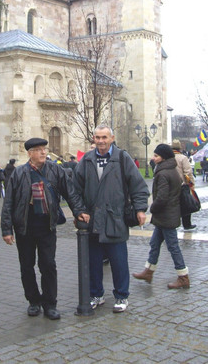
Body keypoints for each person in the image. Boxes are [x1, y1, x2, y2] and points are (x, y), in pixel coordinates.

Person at [1, 137, 89, 320]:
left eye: (44, 149)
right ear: (30, 153)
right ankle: (33, 301)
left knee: (48, 265)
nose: (43, 152)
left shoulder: (55, 170)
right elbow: (8, 202)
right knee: (27, 266)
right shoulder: (19, 173)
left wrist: (78, 210)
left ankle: (50, 303)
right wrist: (6, 230)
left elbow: (69, 191)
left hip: (47, 226)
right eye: (38, 150)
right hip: (24, 227)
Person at [73, 124, 149, 313]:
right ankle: (96, 294)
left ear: (112, 138)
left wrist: (140, 209)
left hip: (116, 218)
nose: (100, 141)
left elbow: (138, 186)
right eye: (97, 138)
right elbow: (74, 189)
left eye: (104, 137)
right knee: (94, 262)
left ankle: (121, 296)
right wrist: (79, 210)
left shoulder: (122, 158)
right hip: (92, 221)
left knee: (118, 262)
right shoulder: (87, 160)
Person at [133, 144, 190, 289]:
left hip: (166, 216)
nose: (153, 158)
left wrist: (152, 207)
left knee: (173, 247)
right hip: (166, 216)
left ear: (163, 157)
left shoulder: (164, 173)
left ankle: (183, 276)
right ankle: (148, 271)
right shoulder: (171, 170)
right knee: (154, 244)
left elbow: (162, 197)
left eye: (156, 156)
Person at [172, 139, 196, 232]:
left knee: (173, 206)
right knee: (186, 205)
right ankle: (187, 224)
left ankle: (172, 224)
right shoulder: (183, 158)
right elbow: (187, 173)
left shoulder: (168, 157)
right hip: (182, 185)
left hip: (171, 185)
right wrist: (191, 184)